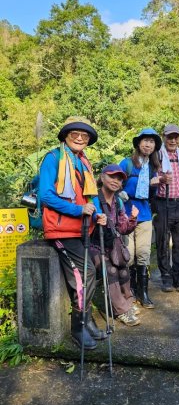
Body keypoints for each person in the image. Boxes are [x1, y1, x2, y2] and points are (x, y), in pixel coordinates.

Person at [39, 116, 107, 350]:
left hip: (82, 228)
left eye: (84, 135)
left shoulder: (83, 161)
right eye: (74, 134)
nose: (79, 138)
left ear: (88, 140)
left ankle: (86, 321)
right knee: (84, 275)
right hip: (61, 229)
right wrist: (79, 210)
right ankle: (78, 327)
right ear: (65, 136)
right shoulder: (54, 158)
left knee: (89, 273)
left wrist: (98, 213)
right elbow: (45, 195)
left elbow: (91, 195)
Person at [90, 164, 140, 327]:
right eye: (112, 176)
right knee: (110, 271)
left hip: (112, 245)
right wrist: (97, 220)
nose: (115, 181)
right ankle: (121, 310)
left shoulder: (118, 201)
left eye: (119, 179)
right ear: (102, 177)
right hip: (95, 246)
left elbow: (123, 228)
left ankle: (128, 302)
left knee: (124, 270)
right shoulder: (94, 199)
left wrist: (132, 219)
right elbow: (90, 221)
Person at [119, 128, 162, 308]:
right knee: (128, 256)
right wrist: (121, 193)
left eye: (152, 142)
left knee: (143, 253)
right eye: (145, 140)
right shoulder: (127, 163)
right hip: (126, 214)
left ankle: (143, 292)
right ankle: (129, 292)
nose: (148, 144)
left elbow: (152, 194)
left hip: (144, 214)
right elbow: (113, 183)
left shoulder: (153, 168)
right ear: (138, 143)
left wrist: (155, 185)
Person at [153, 124, 179, 292]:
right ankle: (166, 278)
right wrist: (161, 180)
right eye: (170, 137)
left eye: (176, 137)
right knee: (162, 242)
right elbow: (150, 179)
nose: (173, 140)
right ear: (164, 137)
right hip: (163, 203)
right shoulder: (157, 156)